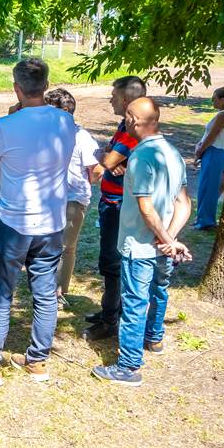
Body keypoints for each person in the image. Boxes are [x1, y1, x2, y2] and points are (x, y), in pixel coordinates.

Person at [0, 58, 76, 388]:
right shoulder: (66, 121)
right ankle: (37, 361)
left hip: (13, 222)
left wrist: (12, 120)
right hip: (52, 222)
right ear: (46, 86)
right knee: (45, 293)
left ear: (16, 88)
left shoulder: (5, 125)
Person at [93, 97, 191, 386]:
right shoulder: (172, 152)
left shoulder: (140, 157)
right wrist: (170, 240)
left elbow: (146, 208)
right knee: (159, 290)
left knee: (135, 301)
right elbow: (184, 203)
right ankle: (154, 337)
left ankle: (128, 366)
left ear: (132, 120)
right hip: (163, 244)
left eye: (126, 117)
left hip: (140, 244)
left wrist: (164, 239)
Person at [84, 75, 148, 341]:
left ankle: (111, 321)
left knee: (112, 262)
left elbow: (109, 159)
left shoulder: (133, 131)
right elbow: (109, 156)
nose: (110, 100)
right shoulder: (124, 125)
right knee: (109, 260)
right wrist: (108, 155)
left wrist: (106, 156)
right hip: (112, 201)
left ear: (124, 99)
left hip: (119, 205)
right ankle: (109, 310)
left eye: (113, 96)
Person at [44, 88, 100, 308]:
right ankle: (44, 286)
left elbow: (95, 171)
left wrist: (79, 184)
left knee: (65, 246)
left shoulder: (82, 137)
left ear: (64, 112)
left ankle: (57, 292)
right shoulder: (46, 135)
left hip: (72, 199)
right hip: (47, 197)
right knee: (45, 244)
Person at [193, 87, 224, 230]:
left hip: (215, 152)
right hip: (212, 152)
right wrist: (199, 146)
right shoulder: (223, 114)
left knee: (209, 188)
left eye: (215, 98)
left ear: (223, 100)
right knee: (204, 186)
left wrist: (200, 151)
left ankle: (206, 222)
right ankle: (201, 218)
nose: (212, 101)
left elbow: (212, 137)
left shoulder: (223, 115)